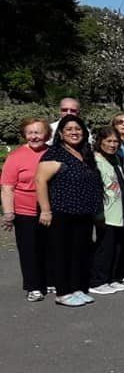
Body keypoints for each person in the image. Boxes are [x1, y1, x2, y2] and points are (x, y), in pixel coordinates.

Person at [34, 115, 103, 306]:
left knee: (79, 252)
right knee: (62, 252)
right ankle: (63, 292)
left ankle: (76, 288)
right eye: (69, 129)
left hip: (83, 213)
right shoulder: (55, 153)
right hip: (61, 212)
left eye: (78, 129)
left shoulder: (84, 153)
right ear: (61, 134)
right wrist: (45, 210)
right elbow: (40, 181)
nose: (74, 132)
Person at [1, 118, 50, 302]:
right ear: (24, 134)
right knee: (29, 250)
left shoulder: (53, 152)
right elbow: (7, 187)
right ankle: (33, 286)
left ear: (46, 134)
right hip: (25, 211)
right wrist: (8, 212)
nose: (34, 136)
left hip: (50, 208)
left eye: (38, 132)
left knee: (50, 247)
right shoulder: (16, 157)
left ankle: (49, 280)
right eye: (30, 132)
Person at [89, 127, 124, 295]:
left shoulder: (115, 159)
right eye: (108, 141)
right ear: (100, 142)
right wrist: (97, 213)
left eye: (115, 141)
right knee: (104, 248)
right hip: (105, 212)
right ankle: (97, 280)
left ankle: (111, 278)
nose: (112, 145)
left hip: (119, 211)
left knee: (116, 247)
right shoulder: (95, 160)